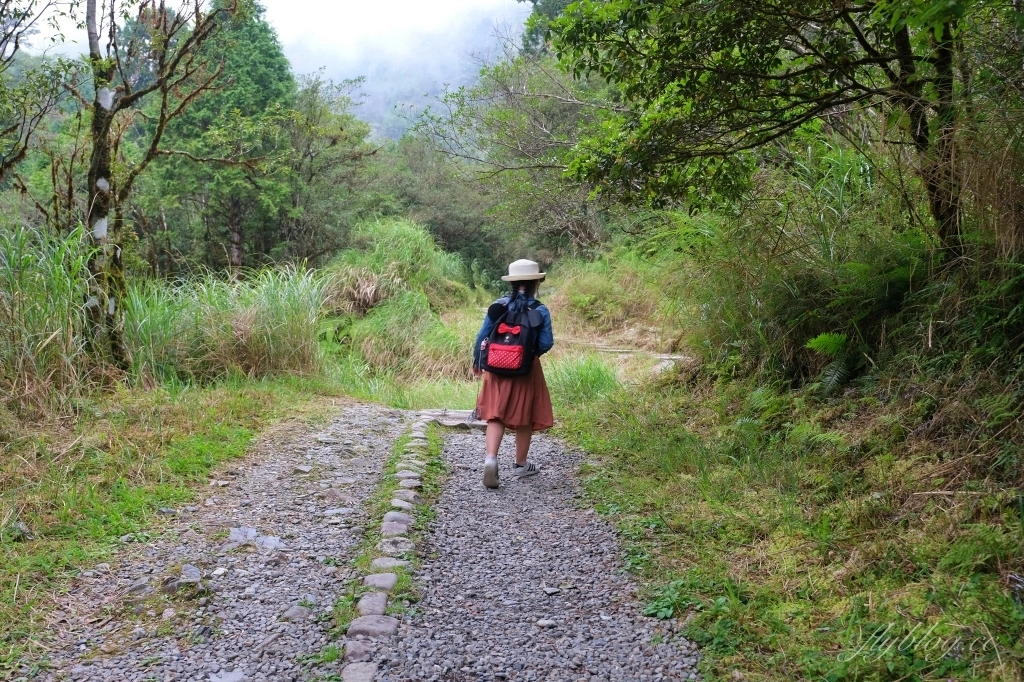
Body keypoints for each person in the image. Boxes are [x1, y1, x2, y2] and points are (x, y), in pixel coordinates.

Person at [472, 259, 555, 489]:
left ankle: (491, 459)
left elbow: (482, 336)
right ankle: (520, 464)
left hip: (496, 367)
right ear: (536, 283)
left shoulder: (498, 305)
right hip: (525, 370)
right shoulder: (540, 310)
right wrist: (528, 354)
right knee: (524, 415)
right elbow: (546, 342)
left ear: (511, 283)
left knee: (495, 415)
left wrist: (478, 360)